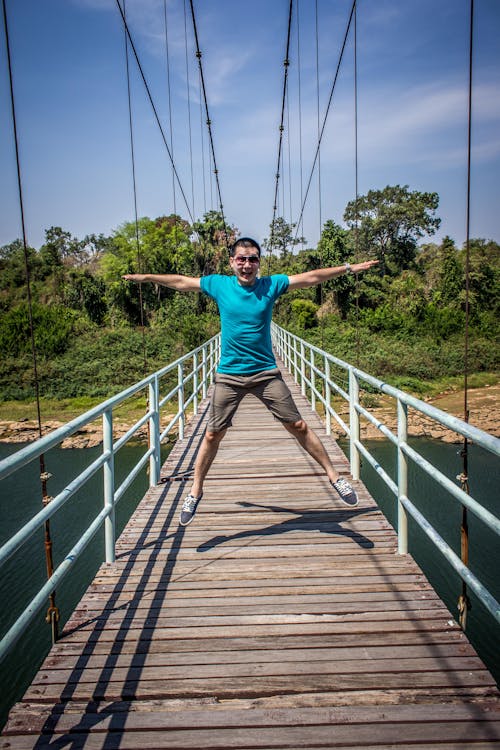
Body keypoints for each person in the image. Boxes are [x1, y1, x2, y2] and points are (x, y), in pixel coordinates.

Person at [123, 237, 378, 526]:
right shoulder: (219, 285)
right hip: (229, 375)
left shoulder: (271, 285)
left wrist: (348, 268)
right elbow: (181, 281)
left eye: (253, 259)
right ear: (231, 262)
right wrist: (146, 278)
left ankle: (335, 477)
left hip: (266, 373)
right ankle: (195, 491)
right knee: (211, 434)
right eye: (241, 259)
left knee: (298, 425)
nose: (247, 264)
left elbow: (311, 278)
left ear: (259, 262)